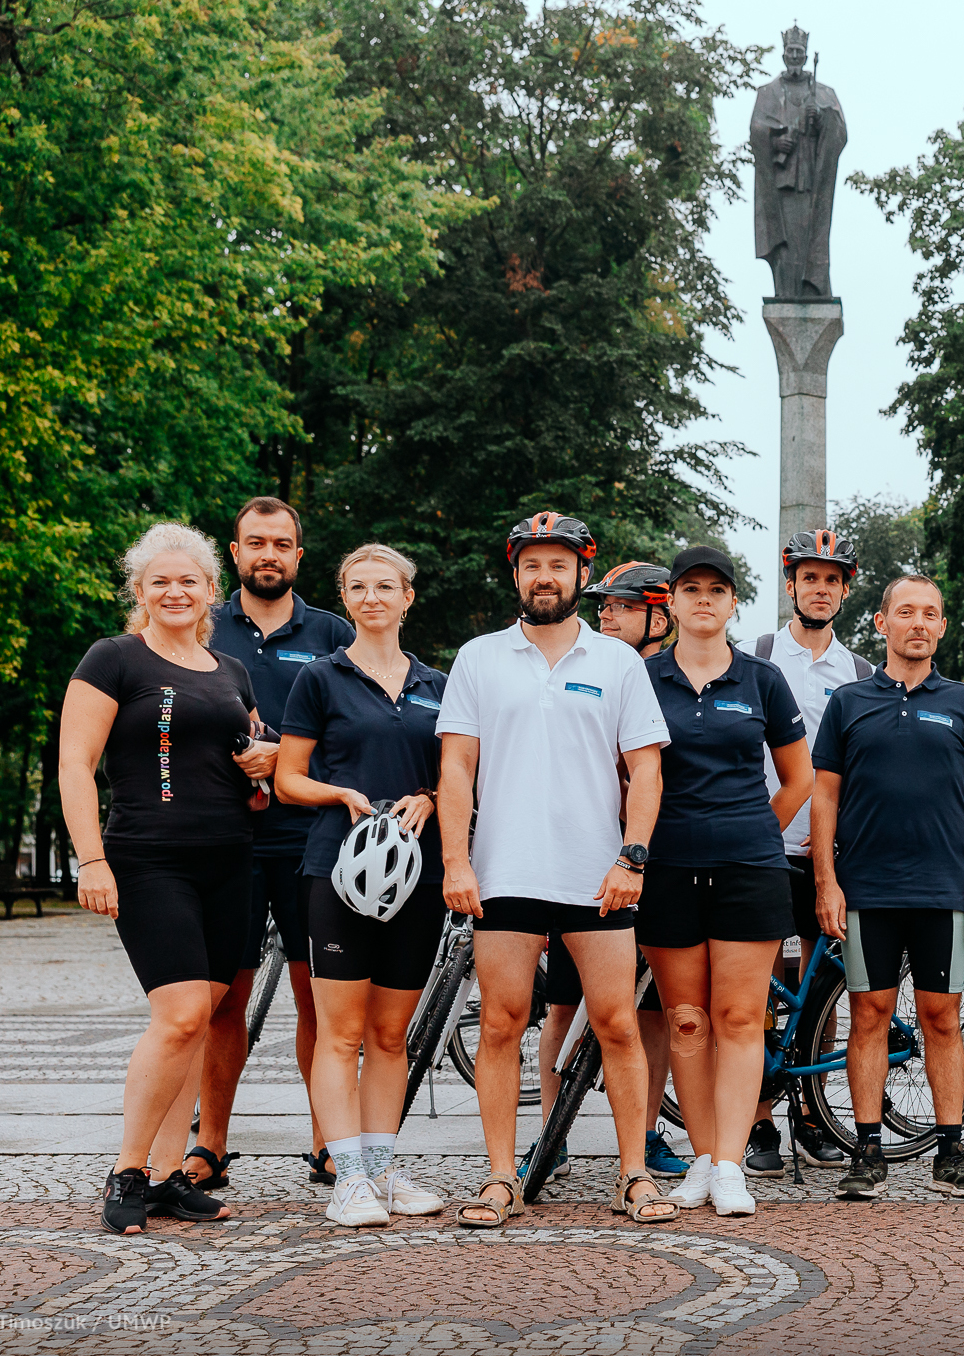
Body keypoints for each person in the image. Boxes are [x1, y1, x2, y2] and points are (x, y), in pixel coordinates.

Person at [436, 512, 678, 1227]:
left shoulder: (618, 662)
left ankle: (634, 1173)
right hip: (502, 873)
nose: (545, 574)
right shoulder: (478, 657)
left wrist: (633, 856)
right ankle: (501, 1176)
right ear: (516, 574)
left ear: (581, 574)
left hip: (596, 876)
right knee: (502, 1026)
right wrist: (456, 859)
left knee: (617, 1025)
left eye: (559, 563)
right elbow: (455, 765)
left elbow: (646, 768)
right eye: (532, 563)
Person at [60, 522, 271, 1233]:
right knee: (178, 1015)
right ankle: (128, 1168)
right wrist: (92, 858)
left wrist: (261, 771)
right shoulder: (113, 659)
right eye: (160, 581)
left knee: (200, 1019)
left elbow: (246, 766)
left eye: (188, 580)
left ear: (211, 589)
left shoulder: (231, 670)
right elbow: (73, 763)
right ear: (140, 591)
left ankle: (172, 1174)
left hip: (229, 857)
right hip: (149, 857)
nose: (175, 591)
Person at [810, 575, 964, 1200]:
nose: (918, 623)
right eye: (906, 612)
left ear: (942, 626)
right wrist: (826, 882)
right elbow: (825, 797)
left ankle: (951, 1146)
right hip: (866, 890)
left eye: (931, 614)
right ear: (881, 623)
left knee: (942, 1016)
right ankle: (866, 1147)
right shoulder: (848, 702)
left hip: (943, 889)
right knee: (868, 1013)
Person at [274, 543, 450, 1226]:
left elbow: (461, 773)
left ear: (408, 597)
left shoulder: (440, 682)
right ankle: (346, 1176)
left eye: (385, 585)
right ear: (344, 598)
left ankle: (381, 1171)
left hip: (418, 873)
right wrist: (337, 790)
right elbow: (288, 777)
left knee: (389, 1034)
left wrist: (433, 796)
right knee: (338, 1033)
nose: (371, 596)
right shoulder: (320, 676)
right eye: (357, 586)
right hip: (336, 872)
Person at [639, 546, 814, 1218]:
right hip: (669, 865)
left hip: (750, 865)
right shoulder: (644, 678)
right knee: (687, 1019)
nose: (704, 599)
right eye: (691, 589)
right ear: (672, 602)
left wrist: (756, 828)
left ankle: (733, 1165)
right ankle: (704, 1158)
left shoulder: (762, 679)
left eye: (718, 589)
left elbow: (800, 778)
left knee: (739, 1017)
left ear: (734, 601)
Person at [194, 496, 355, 1193]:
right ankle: (210, 1146)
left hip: (307, 839)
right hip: (220, 837)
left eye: (281, 543)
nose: (268, 553)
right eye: (255, 542)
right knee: (221, 999)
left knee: (318, 997)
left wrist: (283, 760)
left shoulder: (332, 632)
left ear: (298, 555)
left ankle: (327, 1143)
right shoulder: (200, 624)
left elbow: (352, 734)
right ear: (234, 553)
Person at [519, 559, 689, 1185]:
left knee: (652, 1011)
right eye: (603, 607)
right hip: (590, 870)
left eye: (619, 606)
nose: (606, 615)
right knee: (562, 1006)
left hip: (663, 865)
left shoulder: (672, 679)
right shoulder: (581, 666)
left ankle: (644, 1134)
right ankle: (549, 1137)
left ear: (657, 617)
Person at [743, 529, 873, 1176]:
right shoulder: (757, 657)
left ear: (846, 590)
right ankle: (760, 1121)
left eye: (833, 579)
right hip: (765, 850)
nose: (820, 589)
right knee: (764, 989)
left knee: (821, 993)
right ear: (790, 584)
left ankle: (815, 1116)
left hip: (831, 855)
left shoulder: (861, 674)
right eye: (809, 578)